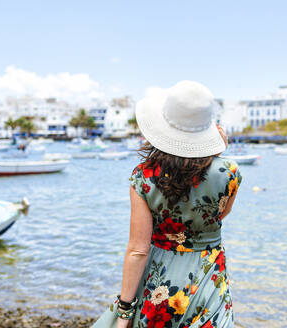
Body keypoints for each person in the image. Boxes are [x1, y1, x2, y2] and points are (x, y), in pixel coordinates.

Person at [92, 81, 242, 328]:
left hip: (161, 278)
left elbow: (138, 250)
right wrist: (217, 153)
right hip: (208, 275)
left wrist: (125, 312)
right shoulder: (231, 172)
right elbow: (220, 214)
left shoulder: (144, 177)